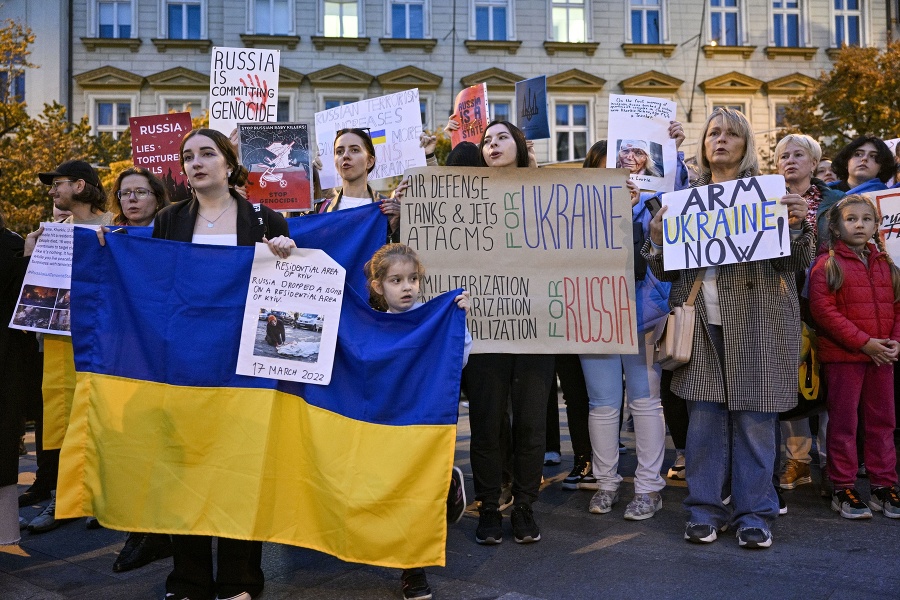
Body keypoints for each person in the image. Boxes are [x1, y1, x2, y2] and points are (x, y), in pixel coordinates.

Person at [645, 108, 814, 549]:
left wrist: (797, 228)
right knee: (704, 423)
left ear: (746, 145)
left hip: (760, 321)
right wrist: (658, 237)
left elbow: (796, 265)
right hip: (700, 324)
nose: (720, 140)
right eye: (713, 133)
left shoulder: (768, 194)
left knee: (756, 421)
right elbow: (666, 272)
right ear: (703, 144)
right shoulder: (685, 199)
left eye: (731, 134)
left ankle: (754, 514)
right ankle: (704, 510)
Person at [149, 127, 294, 600]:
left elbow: (290, 295)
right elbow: (153, 287)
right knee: (184, 472)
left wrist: (287, 258)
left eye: (207, 153)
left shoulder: (265, 218)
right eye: (188, 156)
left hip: (244, 369)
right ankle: (188, 580)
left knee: (239, 472)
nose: (196, 162)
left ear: (229, 164)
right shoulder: (169, 220)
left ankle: (240, 581)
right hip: (184, 368)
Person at [579, 122, 685, 521]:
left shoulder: (653, 202)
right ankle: (606, 484)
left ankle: (648, 488)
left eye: (628, 159)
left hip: (642, 312)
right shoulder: (579, 205)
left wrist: (673, 154)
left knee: (645, 402)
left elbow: (674, 222)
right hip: (592, 311)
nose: (621, 165)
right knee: (603, 405)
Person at [364, 242, 472, 600]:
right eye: (396, 280)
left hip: (421, 418)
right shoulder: (368, 322)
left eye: (412, 279)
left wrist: (457, 320)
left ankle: (414, 571)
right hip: (381, 420)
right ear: (379, 286)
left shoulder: (433, 317)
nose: (407, 287)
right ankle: (446, 485)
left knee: (414, 490)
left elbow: (458, 356)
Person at [466, 121, 554, 546]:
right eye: (486, 140)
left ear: (519, 146)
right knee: (485, 423)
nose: (492, 144)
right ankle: (487, 507)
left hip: (537, 326)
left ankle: (523, 507)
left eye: (502, 137)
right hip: (485, 329)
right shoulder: (462, 198)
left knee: (531, 423)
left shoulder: (547, 195)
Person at [809, 194, 900, 520]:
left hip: (882, 359)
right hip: (846, 358)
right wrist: (864, 343)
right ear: (835, 226)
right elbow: (824, 311)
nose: (859, 224)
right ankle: (843, 486)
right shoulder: (826, 265)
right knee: (844, 424)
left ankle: (883, 485)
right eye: (851, 218)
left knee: (882, 423)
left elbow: (897, 306)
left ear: (877, 225)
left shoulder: (886, 264)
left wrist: (894, 342)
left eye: (866, 219)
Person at [773, 134, 844, 498]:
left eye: (798, 154)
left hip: (830, 298)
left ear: (814, 163)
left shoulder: (838, 200)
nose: (790, 160)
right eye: (783, 155)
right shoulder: (766, 199)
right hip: (786, 299)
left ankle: (834, 464)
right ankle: (798, 460)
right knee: (796, 381)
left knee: (831, 383)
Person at [830, 136, 895, 195]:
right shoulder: (825, 194)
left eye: (873, 156)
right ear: (846, 162)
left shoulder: (889, 198)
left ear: (882, 167)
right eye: (858, 154)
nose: (864, 158)